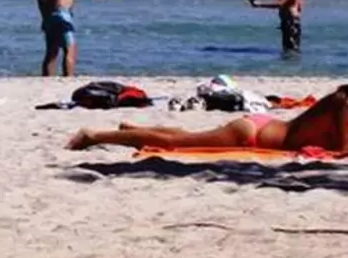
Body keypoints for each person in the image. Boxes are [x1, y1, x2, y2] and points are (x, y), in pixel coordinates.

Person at [68, 84, 348, 153]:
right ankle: (94, 136)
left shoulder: (338, 101)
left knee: (181, 136)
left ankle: (134, 128)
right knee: (175, 143)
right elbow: (340, 149)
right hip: (251, 136)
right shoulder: (341, 106)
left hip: (264, 126)